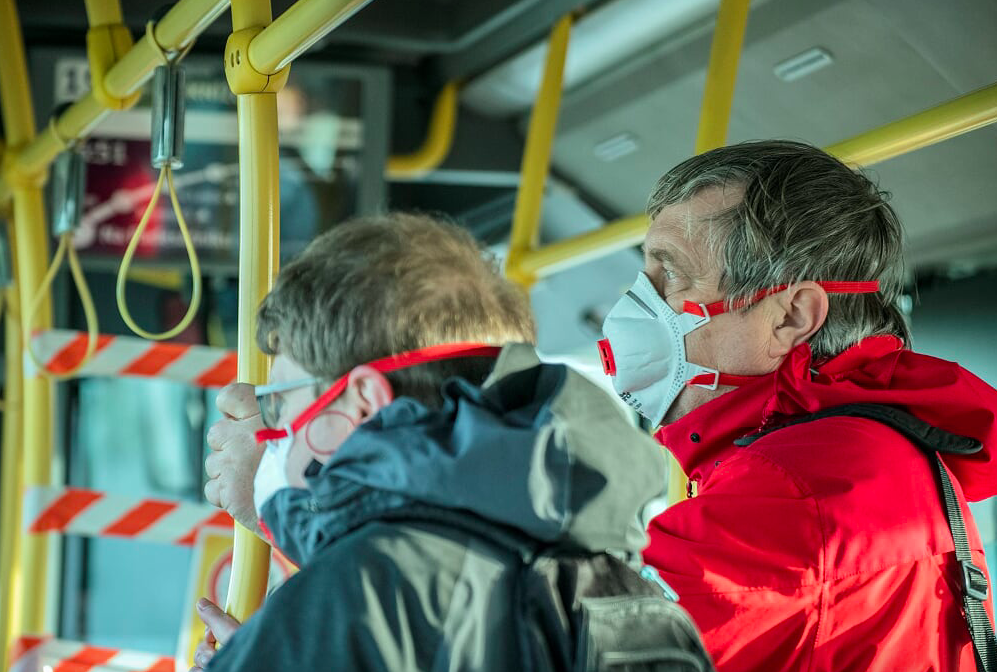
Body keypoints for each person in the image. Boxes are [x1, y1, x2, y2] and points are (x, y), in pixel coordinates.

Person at [192, 213, 676, 671]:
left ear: (361, 401)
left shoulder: (355, 599)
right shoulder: (628, 588)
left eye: (280, 401)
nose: (272, 428)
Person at [597, 140, 997, 671]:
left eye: (670, 275)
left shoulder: (801, 482)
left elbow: (579, 643)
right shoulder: (862, 449)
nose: (634, 306)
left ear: (790, 318)